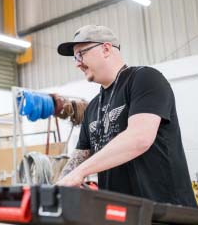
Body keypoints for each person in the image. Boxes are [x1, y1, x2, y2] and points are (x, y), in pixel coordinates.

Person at [56, 25, 197, 207]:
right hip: (121, 215)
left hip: (165, 212)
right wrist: (54, 190)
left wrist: (80, 173)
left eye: (80, 54)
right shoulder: (93, 107)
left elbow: (139, 138)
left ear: (106, 49)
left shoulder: (145, 79)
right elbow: (78, 159)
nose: (77, 63)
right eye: (75, 57)